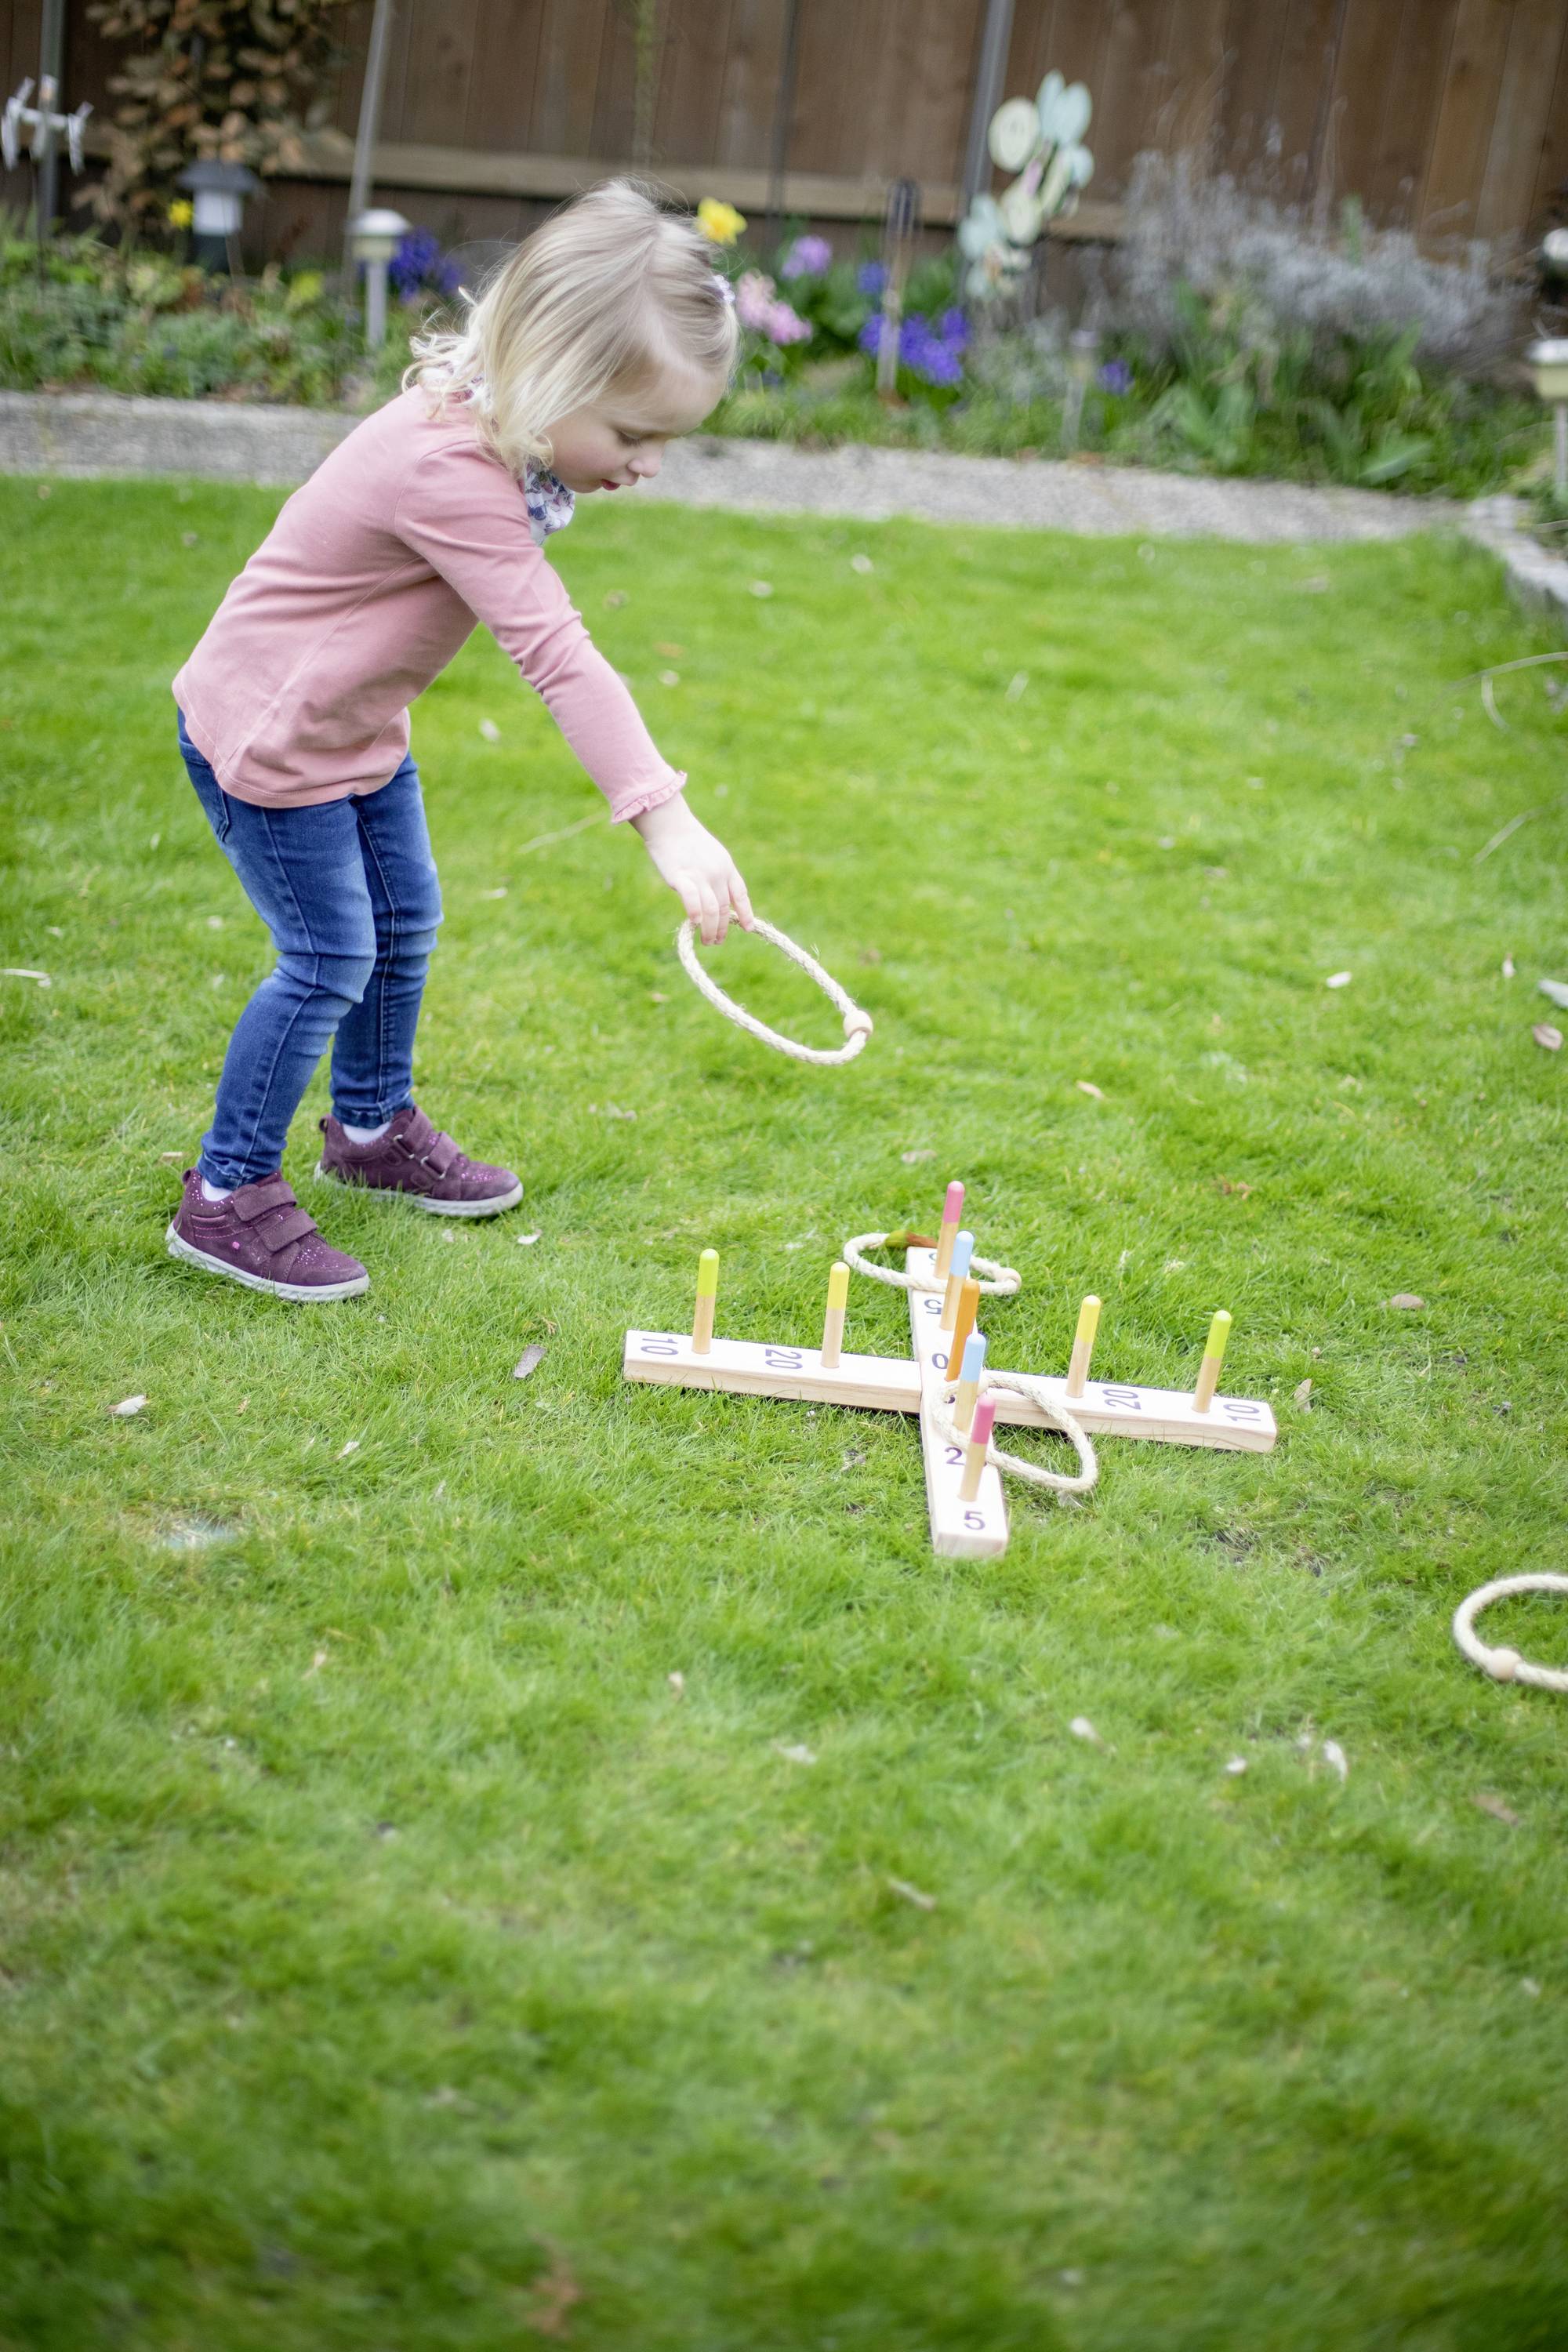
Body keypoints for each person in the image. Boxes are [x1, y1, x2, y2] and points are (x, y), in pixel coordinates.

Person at [166, 179, 751, 1302]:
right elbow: (556, 652)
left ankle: (372, 1128)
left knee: (404, 918)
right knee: (331, 956)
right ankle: (227, 1195)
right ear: (549, 376)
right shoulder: (450, 467)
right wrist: (663, 818)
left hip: (354, 728)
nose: (648, 464)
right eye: (634, 432)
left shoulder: (491, 429)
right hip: (274, 740)